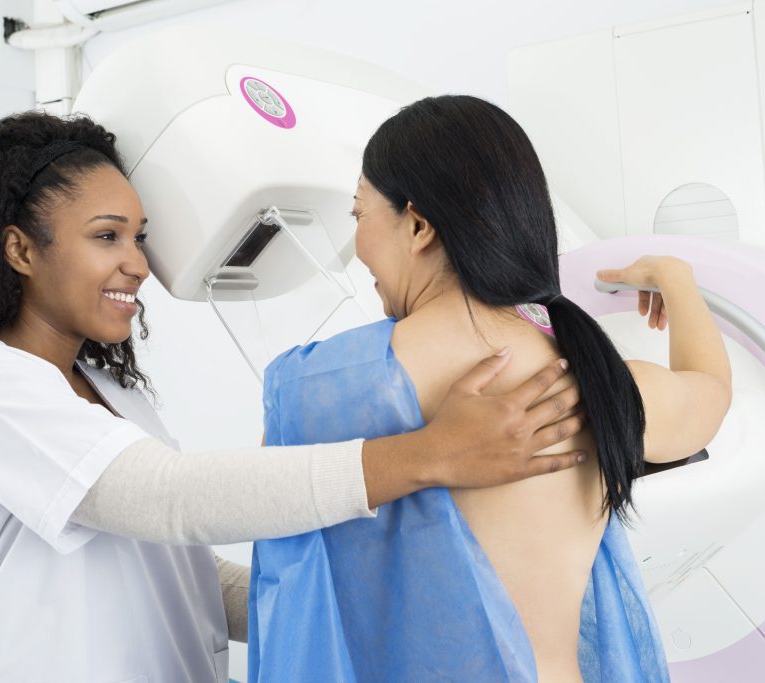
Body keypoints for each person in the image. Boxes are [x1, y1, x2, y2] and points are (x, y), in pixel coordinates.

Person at [0, 111, 588, 683]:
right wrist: (430, 455)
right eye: (107, 236)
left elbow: (185, 575)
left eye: (140, 237)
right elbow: (167, 499)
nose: (139, 264)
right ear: (21, 249)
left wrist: (364, 601)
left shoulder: (110, 388)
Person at [247, 95, 732, 683]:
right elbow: (708, 394)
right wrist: (676, 280)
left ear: (418, 224)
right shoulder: (592, 373)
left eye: (358, 216)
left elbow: (279, 534)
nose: (358, 249)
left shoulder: (330, 386)